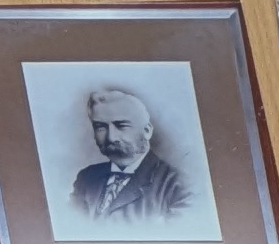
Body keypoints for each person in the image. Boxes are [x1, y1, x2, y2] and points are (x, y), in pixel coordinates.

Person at [71, 81, 192, 224]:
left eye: (121, 125)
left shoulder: (177, 185)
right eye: (100, 127)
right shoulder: (86, 178)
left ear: (147, 131)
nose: (111, 137)